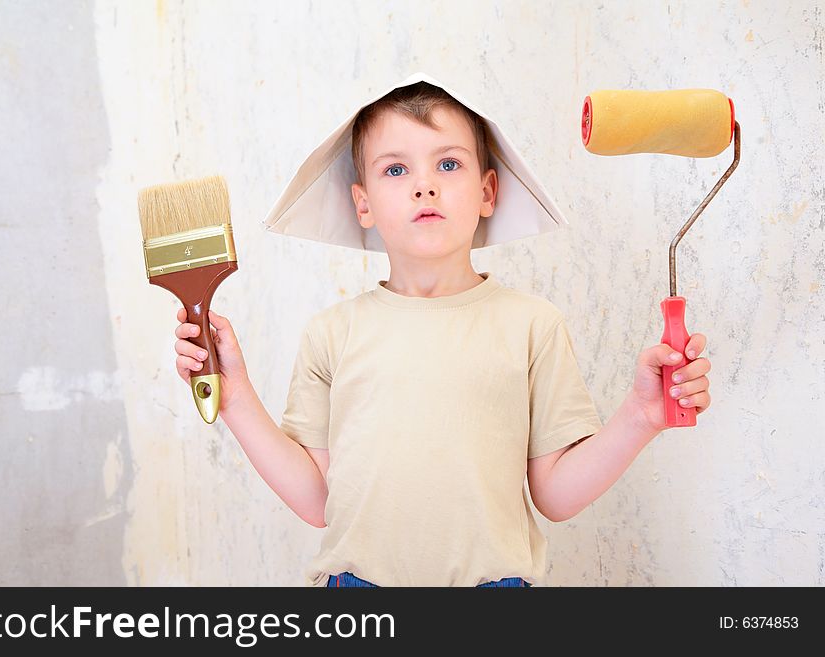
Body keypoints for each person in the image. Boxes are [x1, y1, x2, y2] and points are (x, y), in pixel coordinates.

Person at [172, 74, 712, 587]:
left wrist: (641, 417)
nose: (424, 186)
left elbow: (557, 494)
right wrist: (236, 395)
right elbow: (316, 500)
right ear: (363, 203)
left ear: (487, 191)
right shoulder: (331, 334)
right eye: (395, 170)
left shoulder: (532, 327)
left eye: (448, 164)